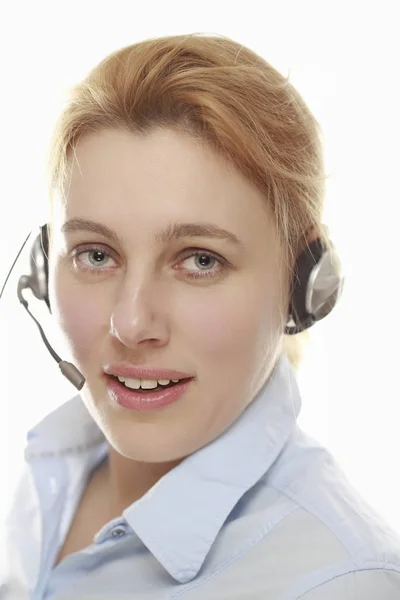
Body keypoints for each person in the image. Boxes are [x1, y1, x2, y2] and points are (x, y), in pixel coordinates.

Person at [2, 33, 400, 599]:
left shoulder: (341, 583)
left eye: (200, 260)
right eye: (96, 254)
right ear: (45, 266)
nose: (132, 323)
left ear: (305, 283)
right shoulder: (47, 472)